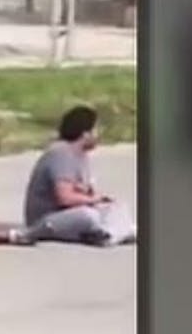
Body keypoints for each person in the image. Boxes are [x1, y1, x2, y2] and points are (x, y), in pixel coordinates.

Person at [22, 105, 136, 246]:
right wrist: (94, 199)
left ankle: (108, 233)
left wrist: (100, 201)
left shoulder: (82, 156)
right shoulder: (61, 153)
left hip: (70, 214)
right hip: (48, 219)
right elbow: (64, 198)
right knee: (88, 216)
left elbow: (85, 193)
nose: (98, 135)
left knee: (118, 207)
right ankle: (112, 234)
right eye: (95, 130)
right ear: (85, 133)